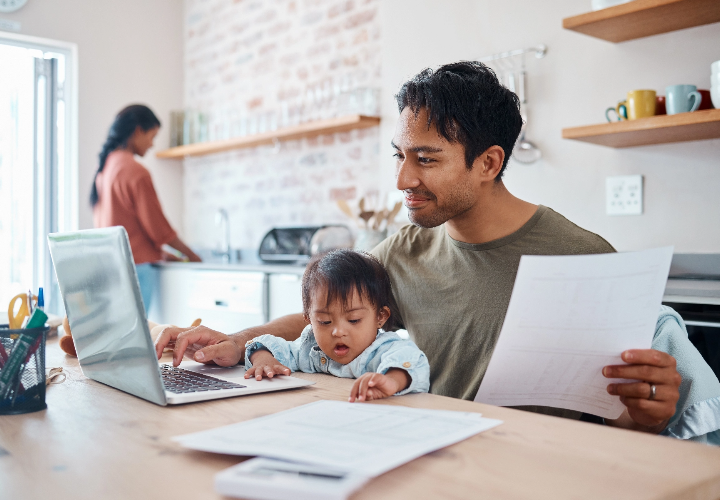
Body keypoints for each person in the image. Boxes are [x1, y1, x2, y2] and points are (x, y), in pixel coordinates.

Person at [155, 63, 720, 443]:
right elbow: (323, 315)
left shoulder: (585, 259)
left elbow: (625, 426)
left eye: (425, 159)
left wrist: (650, 417)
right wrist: (237, 341)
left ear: (489, 163)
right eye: (400, 154)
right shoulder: (404, 248)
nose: (402, 177)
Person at [240, 250, 428, 401]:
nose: (338, 332)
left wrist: (391, 381)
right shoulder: (311, 348)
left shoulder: (384, 349)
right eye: (324, 322)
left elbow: (411, 361)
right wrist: (262, 359)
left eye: (353, 320)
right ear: (309, 320)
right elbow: (273, 347)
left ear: (380, 317)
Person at [92, 105, 201, 311]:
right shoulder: (135, 171)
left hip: (111, 267)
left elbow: (125, 227)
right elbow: (159, 230)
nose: (152, 144)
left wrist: (162, 253)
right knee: (141, 336)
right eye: (152, 136)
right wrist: (193, 257)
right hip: (137, 270)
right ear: (138, 131)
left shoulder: (105, 169)